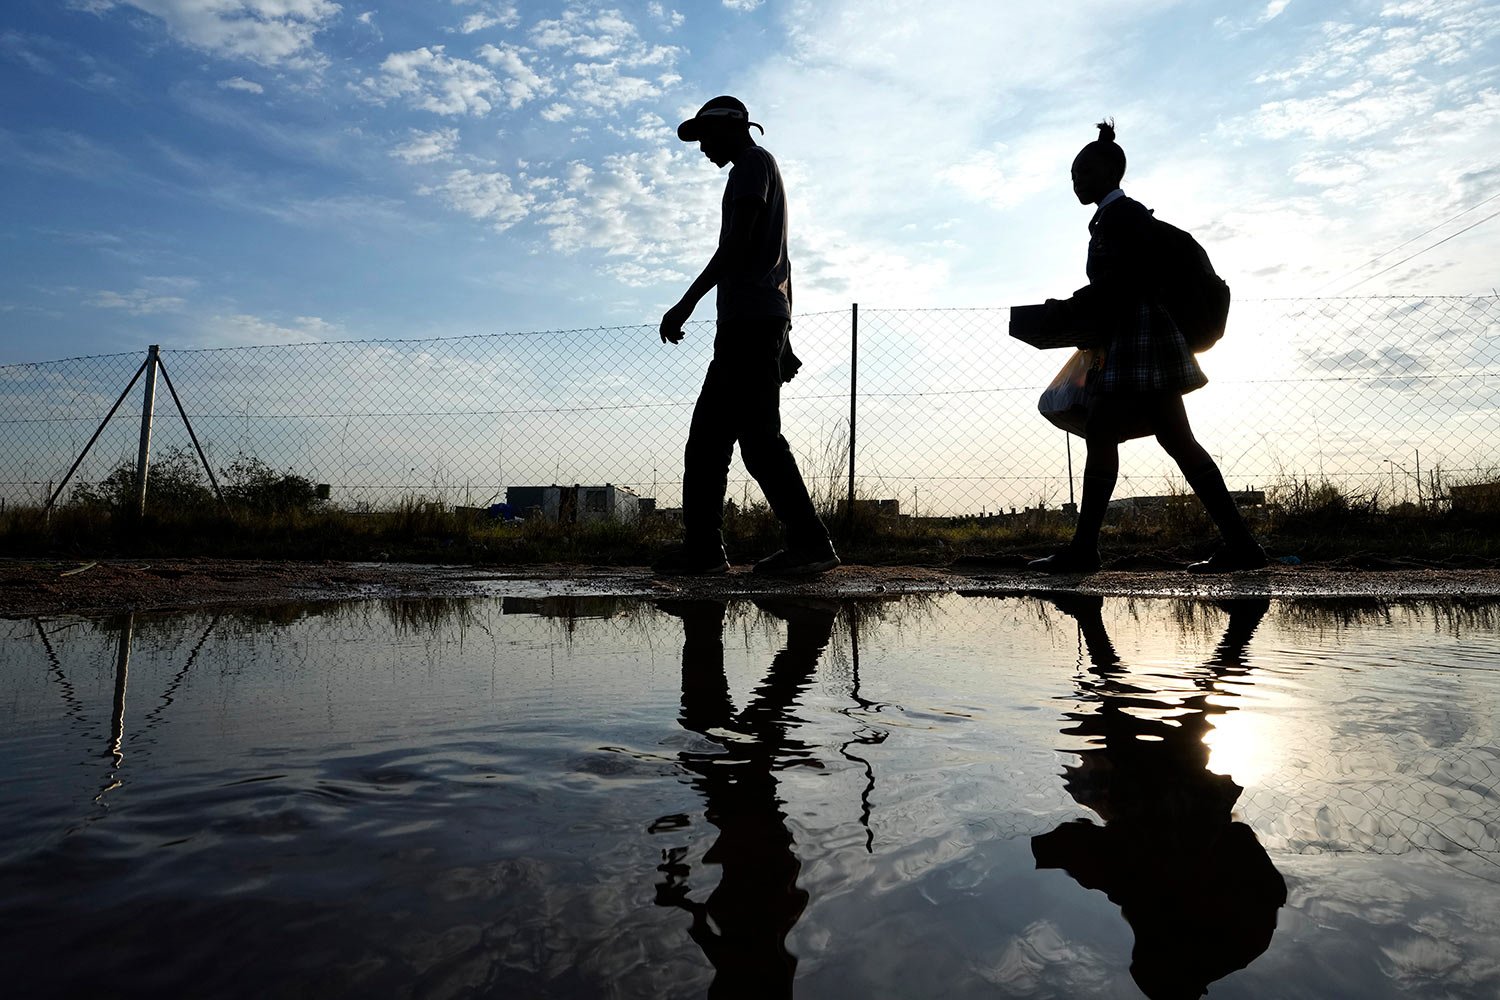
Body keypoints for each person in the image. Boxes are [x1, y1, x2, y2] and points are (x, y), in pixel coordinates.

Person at [1030, 121, 1267, 574]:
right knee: (1169, 437)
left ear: (1106, 172)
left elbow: (1123, 283)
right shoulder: (1119, 218)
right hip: (1141, 338)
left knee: (1109, 431)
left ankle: (1085, 551)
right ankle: (1241, 545)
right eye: (1073, 175)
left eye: (1081, 173)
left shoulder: (1122, 219)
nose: (1075, 182)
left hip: (1138, 338)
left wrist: (1066, 311)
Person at [654, 96, 839, 577]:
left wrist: (685, 302)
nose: (702, 150)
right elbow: (780, 266)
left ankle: (791, 545)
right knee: (738, 439)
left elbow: (736, 246)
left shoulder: (750, 167)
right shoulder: (761, 169)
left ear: (729, 129)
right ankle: (719, 549)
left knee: (727, 440)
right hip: (760, 323)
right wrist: (786, 337)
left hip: (748, 326)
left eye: (705, 138)